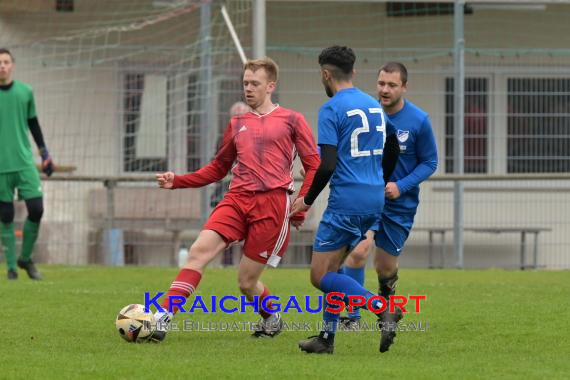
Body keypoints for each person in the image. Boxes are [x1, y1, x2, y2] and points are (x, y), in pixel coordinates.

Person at [152, 57, 320, 341]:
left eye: (255, 83)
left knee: (246, 283)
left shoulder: (292, 119)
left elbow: (314, 164)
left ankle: (272, 318)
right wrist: (178, 181)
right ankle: (161, 318)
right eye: (245, 83)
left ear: (271, 86)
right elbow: (218, 168)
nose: (248, 88)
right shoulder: (237, 123)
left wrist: (302, 204)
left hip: (272, 204)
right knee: (198, 252)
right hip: (236, 198)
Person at [289, 46, 397, 354]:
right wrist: (378, 179)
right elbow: (393, 150)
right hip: (373, 198)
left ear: (325, 74)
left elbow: (328, 164)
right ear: (354, 72)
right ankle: (326, 338)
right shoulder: (373, 105)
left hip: (346, 202)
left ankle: (382, 308)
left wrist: (307, 200)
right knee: (334, 271)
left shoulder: (332, 108)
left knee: (320, 276)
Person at [334, 62, 439, 352]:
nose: (384, 89)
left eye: (392, 85)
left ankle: (386, 306)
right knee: (357, 252)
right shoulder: (369, 116)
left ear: (404, 87)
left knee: (384, 266)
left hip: (400, 205)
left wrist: (400, 185)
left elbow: (430, 162)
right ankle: (353, 316)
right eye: (381, 83)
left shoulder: (418, 121)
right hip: (369, 200)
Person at [0, 48, 54, 281]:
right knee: (6, 215)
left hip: (23, 162)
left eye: (6, 62)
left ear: (12, 65)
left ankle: (25, 258)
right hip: (1, 166)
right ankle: (11, 268)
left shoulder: (25, 92)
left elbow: (33, 124)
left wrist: (44, 153)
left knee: (37, 208)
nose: (2, 66)